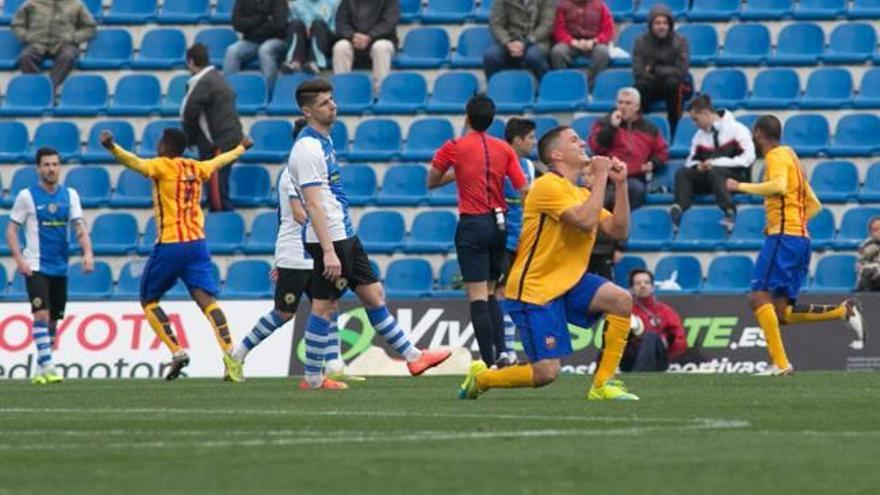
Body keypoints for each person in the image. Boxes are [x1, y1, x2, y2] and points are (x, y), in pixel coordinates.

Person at [289, 78, 451, 390]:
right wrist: (329, 250)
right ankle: (311, 378)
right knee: (324, 306)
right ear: (307, 111)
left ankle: (414, 356)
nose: (333, 105)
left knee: (373, 293)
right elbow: (313, 203)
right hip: (331, 238)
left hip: (343, 234)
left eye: (332, 99)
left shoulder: (325, 141)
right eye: (324, 103)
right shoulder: (307, 149)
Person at [458, 126, 639, 401]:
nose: (582, 143)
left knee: (621, 300)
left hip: (570, 280)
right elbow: (585, 221)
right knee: (546, 373)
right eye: (574, 139)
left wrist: (621, 184)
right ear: (556, 154)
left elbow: (618, 230)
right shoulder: (546, 186)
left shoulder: (578, 193)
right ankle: (483, 378)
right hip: (536, 289)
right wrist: (602, 176)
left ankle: (603, 384)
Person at [100, 128, 254, 382]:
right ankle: (231, 355)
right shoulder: (196, 167)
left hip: (171, 245)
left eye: (161, 141)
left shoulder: (162, 166)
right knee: (208, 301)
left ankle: (177, 350)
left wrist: (112, 147)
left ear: (166, 146)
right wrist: (241, 148)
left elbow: (135, 162)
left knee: (148, 300)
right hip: (197, 244)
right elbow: (218, 162)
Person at [726, 115, 865, 376]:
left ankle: (780, 364)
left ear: (757, 134)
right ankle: (842, 311)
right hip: (800, 239)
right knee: (781, 313)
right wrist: (791, 222)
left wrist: (739, 186)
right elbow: (814, 204)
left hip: (784, 238)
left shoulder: (775, 156)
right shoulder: (793, 158)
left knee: (758, 296)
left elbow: (778, 186)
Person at [230, 119, 360, 384]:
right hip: (297, 253)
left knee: (327, 304)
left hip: (309, 249)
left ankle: (333, 365)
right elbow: (301, 214)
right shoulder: (293, 174)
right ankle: (237, 353)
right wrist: (329, 230)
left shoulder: (311, 170)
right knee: (284, 313)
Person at [428, 96, 529, 369]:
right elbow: (522, 186)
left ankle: (489, 361)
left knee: (477, 297)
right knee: (493, 291)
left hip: (473, 224)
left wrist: (458, 173)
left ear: (467, 117)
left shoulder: (454, 147)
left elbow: (432, 181)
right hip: (500, 225)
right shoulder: (504, 149)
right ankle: (505, 353)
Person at [6, 147, 94, 385]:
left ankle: (39, 367)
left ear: (59, 167)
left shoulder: (70, 195)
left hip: (60, 266)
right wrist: (20, 260)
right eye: (46, 165)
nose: (51, 169)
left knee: (53, 319)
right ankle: (51, 367)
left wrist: (87, 253)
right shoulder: (27, 196)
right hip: (35, 266)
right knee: (41, 314)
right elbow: (12, 230)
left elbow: (79, 227)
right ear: (38, 168)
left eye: (55, 164)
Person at [672, 95, 754, 232]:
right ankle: (680, 209)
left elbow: (747, 159)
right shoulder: (699, 136)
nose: (695, 124)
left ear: (705, 113)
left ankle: (729, 210)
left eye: (696, 119)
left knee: (716, 171)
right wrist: (698, 166)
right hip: (710, 178)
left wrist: (717, 163)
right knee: (683, 173)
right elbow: (691, 160)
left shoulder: (737, 129)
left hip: (734, 177)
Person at [494, 118, 538, 367]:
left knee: (517, 294)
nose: (533, 142)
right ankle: (505, 351)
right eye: (530, 137)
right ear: (518, 139)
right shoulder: (499, 162)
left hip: (524, 240)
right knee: (501, 292)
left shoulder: (529, 166)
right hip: (502, 239)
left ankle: (512, 350)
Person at [182, 44, 245, 213]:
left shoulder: (203, 81)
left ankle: (224, 231)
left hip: (218, 144)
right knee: (217, 191)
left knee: (218, 198)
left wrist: (189, 139)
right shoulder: (215, 77)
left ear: (190, 61)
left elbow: (190, 111)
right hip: (226, 140)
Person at [588, 87, 668, 210]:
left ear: (637, 106)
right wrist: (611, 127)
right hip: (607, 176)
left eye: (628, 103)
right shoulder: (604, 123)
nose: (623, 107)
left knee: (635, 189)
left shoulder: (649, 128)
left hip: (633, 177)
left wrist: (653, 164)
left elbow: (662, 152)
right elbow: (595, 146)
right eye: (620, 102)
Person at [631, 4, 690, 134]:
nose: (661, 26)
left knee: (673, 83)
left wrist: (654, 69)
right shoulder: (641, 42)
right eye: (657, 23)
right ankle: (640, 128)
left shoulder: (680, 41)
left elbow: (681, 71)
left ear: (670, 25)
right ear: (651, 25)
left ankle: (675, 127)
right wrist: (666, 71)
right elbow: (638, 71)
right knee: (640, 86)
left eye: (664, 23)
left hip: (672, 85)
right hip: (651, 84)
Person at [11, 0, 96, 89]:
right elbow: (17, 24)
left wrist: (74, 38)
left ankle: (49, 89)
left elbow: (90, 27)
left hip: (64, 44)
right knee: (24, 57)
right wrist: (26, 37)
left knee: (68, 56)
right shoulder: (32, 3)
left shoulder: (76, 4)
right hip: (37, 44)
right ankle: (39, 86)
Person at [623, 268, 686, 372]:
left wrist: (670, 352)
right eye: (638, 283)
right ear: (631, 289)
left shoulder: (665, 311)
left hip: (658, 358)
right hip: (630, 358)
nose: (642, 286)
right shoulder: (625, 310)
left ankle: (640, 376)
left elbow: (679, 338)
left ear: (652, 287)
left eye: (646, 282)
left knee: (651, 336)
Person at [332, 0, 399, 93]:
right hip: (354, 40)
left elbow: (389, 22)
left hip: (381, 38)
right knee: (340, 47)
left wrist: (370, 36)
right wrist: (352, 36)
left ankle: (380, 92)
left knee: (381, 47)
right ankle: (342, 91)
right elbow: (341, 22)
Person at [224, 0, 289, 91]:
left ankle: (267, 93)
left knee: (265, 50)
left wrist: (253, 27)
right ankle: (229, 92)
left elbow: (279, 24)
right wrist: (261, 19)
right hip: (251, 40)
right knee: (231, 51)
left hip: (276, 39)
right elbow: (236, 23)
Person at [550, 0, 614, 91]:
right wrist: (573, 42)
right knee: (557, 52)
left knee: (602, 52)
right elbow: (558, 30)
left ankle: (590, 90)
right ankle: (566, 88)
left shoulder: (600, 5)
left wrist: (594, 41)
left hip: (593, 42)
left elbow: (608, 30)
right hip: (571, 42)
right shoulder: (563, 5)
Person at [485, 0, 555, 80]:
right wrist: (507, 42)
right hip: (510, 40)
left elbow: (547, 25)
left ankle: (547, 87)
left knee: (534, 56)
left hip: (536, 40)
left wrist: (526, 42)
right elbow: (496, 24)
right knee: (491, 56)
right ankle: (495, 89)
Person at [283, 0, 340, 74]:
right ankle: (295, 62)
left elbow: (334, 29)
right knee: (296, 24)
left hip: (324, 41)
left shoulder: (333, 3)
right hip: (303, 41)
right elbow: (291, 28)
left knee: (318, 23)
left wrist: (314, 29)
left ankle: (315, 63)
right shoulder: (296, 5)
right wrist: (307, 27)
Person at [857, 217, 880, 292]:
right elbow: (860, 265)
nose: (879, 232)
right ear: (870, 233)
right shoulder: (866, 245)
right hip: (872, 279)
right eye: (876, 230)